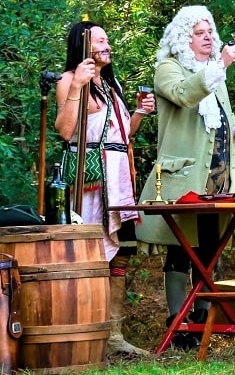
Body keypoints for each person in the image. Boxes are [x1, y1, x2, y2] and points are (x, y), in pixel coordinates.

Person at [136, 5, 235, 350]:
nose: (209, 38)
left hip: (217, 175)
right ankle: (177, 321)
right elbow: (185, 95)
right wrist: (222, 64)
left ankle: (202, 318)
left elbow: (223, 120)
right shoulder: (167, 69)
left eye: (210, 32)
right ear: (183, 37)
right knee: (180, 250)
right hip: (182, 177)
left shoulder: (214, 73)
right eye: (200, 33)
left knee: (209, 250)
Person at [55, 21, 155, 356]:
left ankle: (114, 336)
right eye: (100, 40)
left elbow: (122, 135)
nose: (107, 45)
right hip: (91, 178)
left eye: (108, 40)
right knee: (90, 251)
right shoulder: (70, 80)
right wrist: (76, 87)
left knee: (120, 253)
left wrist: (139, 112)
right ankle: (88, 332)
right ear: (82, 45)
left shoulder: (112, 85)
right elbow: (66, 132)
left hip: (118, 178)